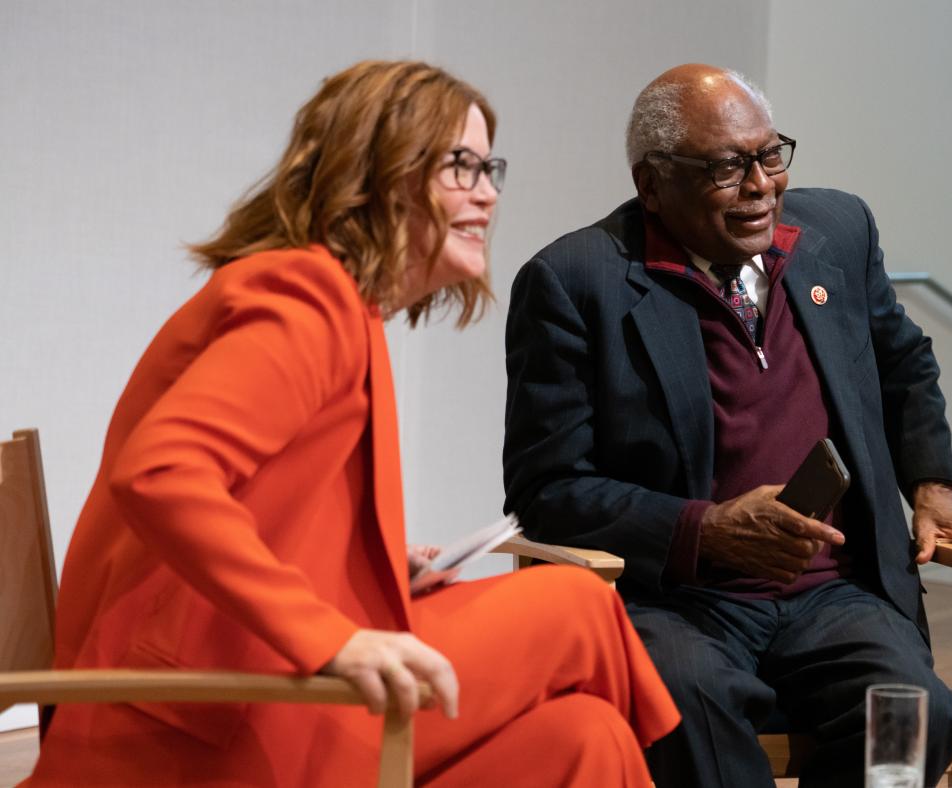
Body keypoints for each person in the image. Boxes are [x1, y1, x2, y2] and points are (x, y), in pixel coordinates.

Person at [26, 60, 678, 787]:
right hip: (210, 720)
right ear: (379, 172)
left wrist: (367, 570)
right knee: (578, 606)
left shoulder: (333, 304)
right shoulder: (304, 297)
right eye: (460, 166)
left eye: (489, 168)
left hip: (250, 694)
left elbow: (253, 504)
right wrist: (331, 637)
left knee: (585, 738)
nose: (488, 193)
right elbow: (162, 473)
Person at [502, 63, 952, 787]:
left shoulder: (838, 232)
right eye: (726, 167)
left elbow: (903, 361)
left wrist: (931, 485)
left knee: (913, 713)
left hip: (837, 596)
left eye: (770, 155)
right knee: (686, 706)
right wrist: (705, 529)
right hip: (677, 601)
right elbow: (548, 488)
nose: (762, 185)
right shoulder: (577, 282)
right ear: (652, 184)